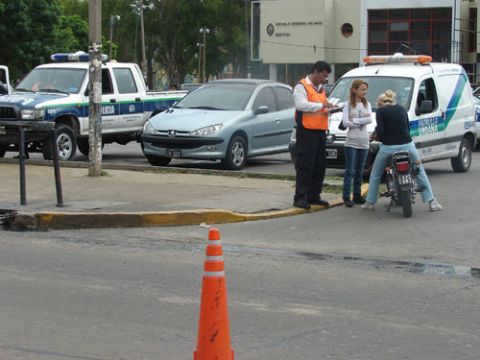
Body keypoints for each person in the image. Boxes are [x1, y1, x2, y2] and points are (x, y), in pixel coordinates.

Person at [362, 90, 443, 211]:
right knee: (419, 170)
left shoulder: (380, 111)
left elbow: (381, 131)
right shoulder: (401, 109)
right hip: (408, 146)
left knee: (376, 173)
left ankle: (370, 202)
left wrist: (377, 136)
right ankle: (432, 202)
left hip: (388, 148)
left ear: (380, 103)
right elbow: (407, 128)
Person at [293, 61, 335, 210]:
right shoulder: (302, 86)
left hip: (320, 131)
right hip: (306, 131)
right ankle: (300, 197)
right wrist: (322, 106)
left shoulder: (321, 88)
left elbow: (321, 105)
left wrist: (329, 107)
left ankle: (314, 196)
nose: (325, 79)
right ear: (316, 72)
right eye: (323, 75)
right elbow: (301, 105)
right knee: (305, 165)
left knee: (319, 165)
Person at [341, 80, 372, 207]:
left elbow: (369, 119)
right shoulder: (348, 105)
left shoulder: (367, 104)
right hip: (351, 142)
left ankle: (357, 195)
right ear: (354, 90)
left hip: (364, 140)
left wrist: (355, 120)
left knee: (360, 170)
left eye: (365, 89)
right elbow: (345, 123)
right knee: (350, 170)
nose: (364, 92)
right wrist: (361, 121)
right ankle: (346, 195)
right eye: (362, 89)